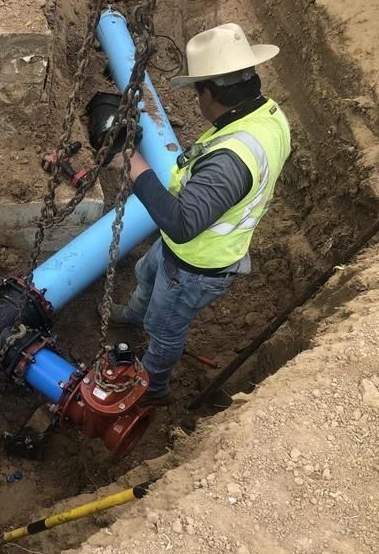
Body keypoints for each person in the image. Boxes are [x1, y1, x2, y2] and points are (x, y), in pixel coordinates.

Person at [107, 23, 291, 405]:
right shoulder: (268, 116)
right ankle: (131, 315)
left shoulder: (230, 159)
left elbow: (181, 223)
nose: (197, 101)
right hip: (190, 249)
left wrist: (136, 166)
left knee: (165, 328)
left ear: (210, 93)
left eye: (197, 92)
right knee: (146, 272)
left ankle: (152, 390)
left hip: (197, 264)